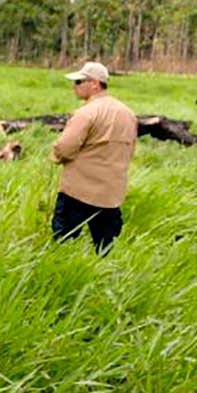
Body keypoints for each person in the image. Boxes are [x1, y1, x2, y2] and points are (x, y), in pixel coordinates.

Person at [49, 61, 137, 252]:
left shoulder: (86, 113)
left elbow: (64, 148)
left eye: (79, 81)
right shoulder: (128, 114)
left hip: (77, 193)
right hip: (111, 196)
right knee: (105, 249)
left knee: (62, 245)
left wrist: (55, 157)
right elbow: (130, 151)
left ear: (95, 84)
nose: (75, 86)